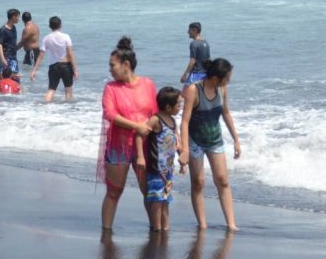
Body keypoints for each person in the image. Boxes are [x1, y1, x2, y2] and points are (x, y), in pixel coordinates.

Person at [100, 37, 158, 231]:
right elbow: (110, 114)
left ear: (126, 65)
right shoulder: (111, 88)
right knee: (114, 192)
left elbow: (156, 113)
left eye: (112, 65)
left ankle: (155, 229)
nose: (110, 69)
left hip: (144, 145)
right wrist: (136, 125)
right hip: (119, 146)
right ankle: (106, 233)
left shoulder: (148, 84)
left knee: (148, 191)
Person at [180, 58, 242, 231]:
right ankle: (203, 225)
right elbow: (184, 122)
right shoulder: (194, 90)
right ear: (215, 78)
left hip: (215, 140)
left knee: (222, 180)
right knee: (198, 182)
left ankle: (231, 224)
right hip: (195, 141)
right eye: (226, 78)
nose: (228, 81)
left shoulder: (222, 89)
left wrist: (236, 139)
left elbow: (226, 113)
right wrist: (184, 149)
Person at [139, 86, 182, 232]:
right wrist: (140, 156)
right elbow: (140, 134)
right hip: (156, 169)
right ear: (168, 106)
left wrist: (182, 159)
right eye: (178, 105)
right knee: (157, 199)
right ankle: (156, 229)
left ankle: (165, 228)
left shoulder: (173, 121)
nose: (180, 107)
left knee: (165, 199)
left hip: (168, 169)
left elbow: (177, 141)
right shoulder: (156, 120)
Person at [30, 15, 79, 102]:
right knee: (68, 91)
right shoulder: (66, 37)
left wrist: (34, 70)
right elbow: (70, 54)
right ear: (60, 25)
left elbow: (41, 55)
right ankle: (69, 112)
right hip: (66, 66)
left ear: (50, 26)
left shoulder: (46, 38)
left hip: (53, 67)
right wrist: (75, 70)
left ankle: (44, 108)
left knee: (51, 90)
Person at [0, 8, 21, 77]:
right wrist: (2, 58)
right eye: (18, 17)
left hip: (13, 57)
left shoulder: (14, 28)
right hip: (6, 56)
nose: (18, 19)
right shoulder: (3, 29)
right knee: (3, 77)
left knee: (15, 77)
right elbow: (0, 44)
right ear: (13, 17)